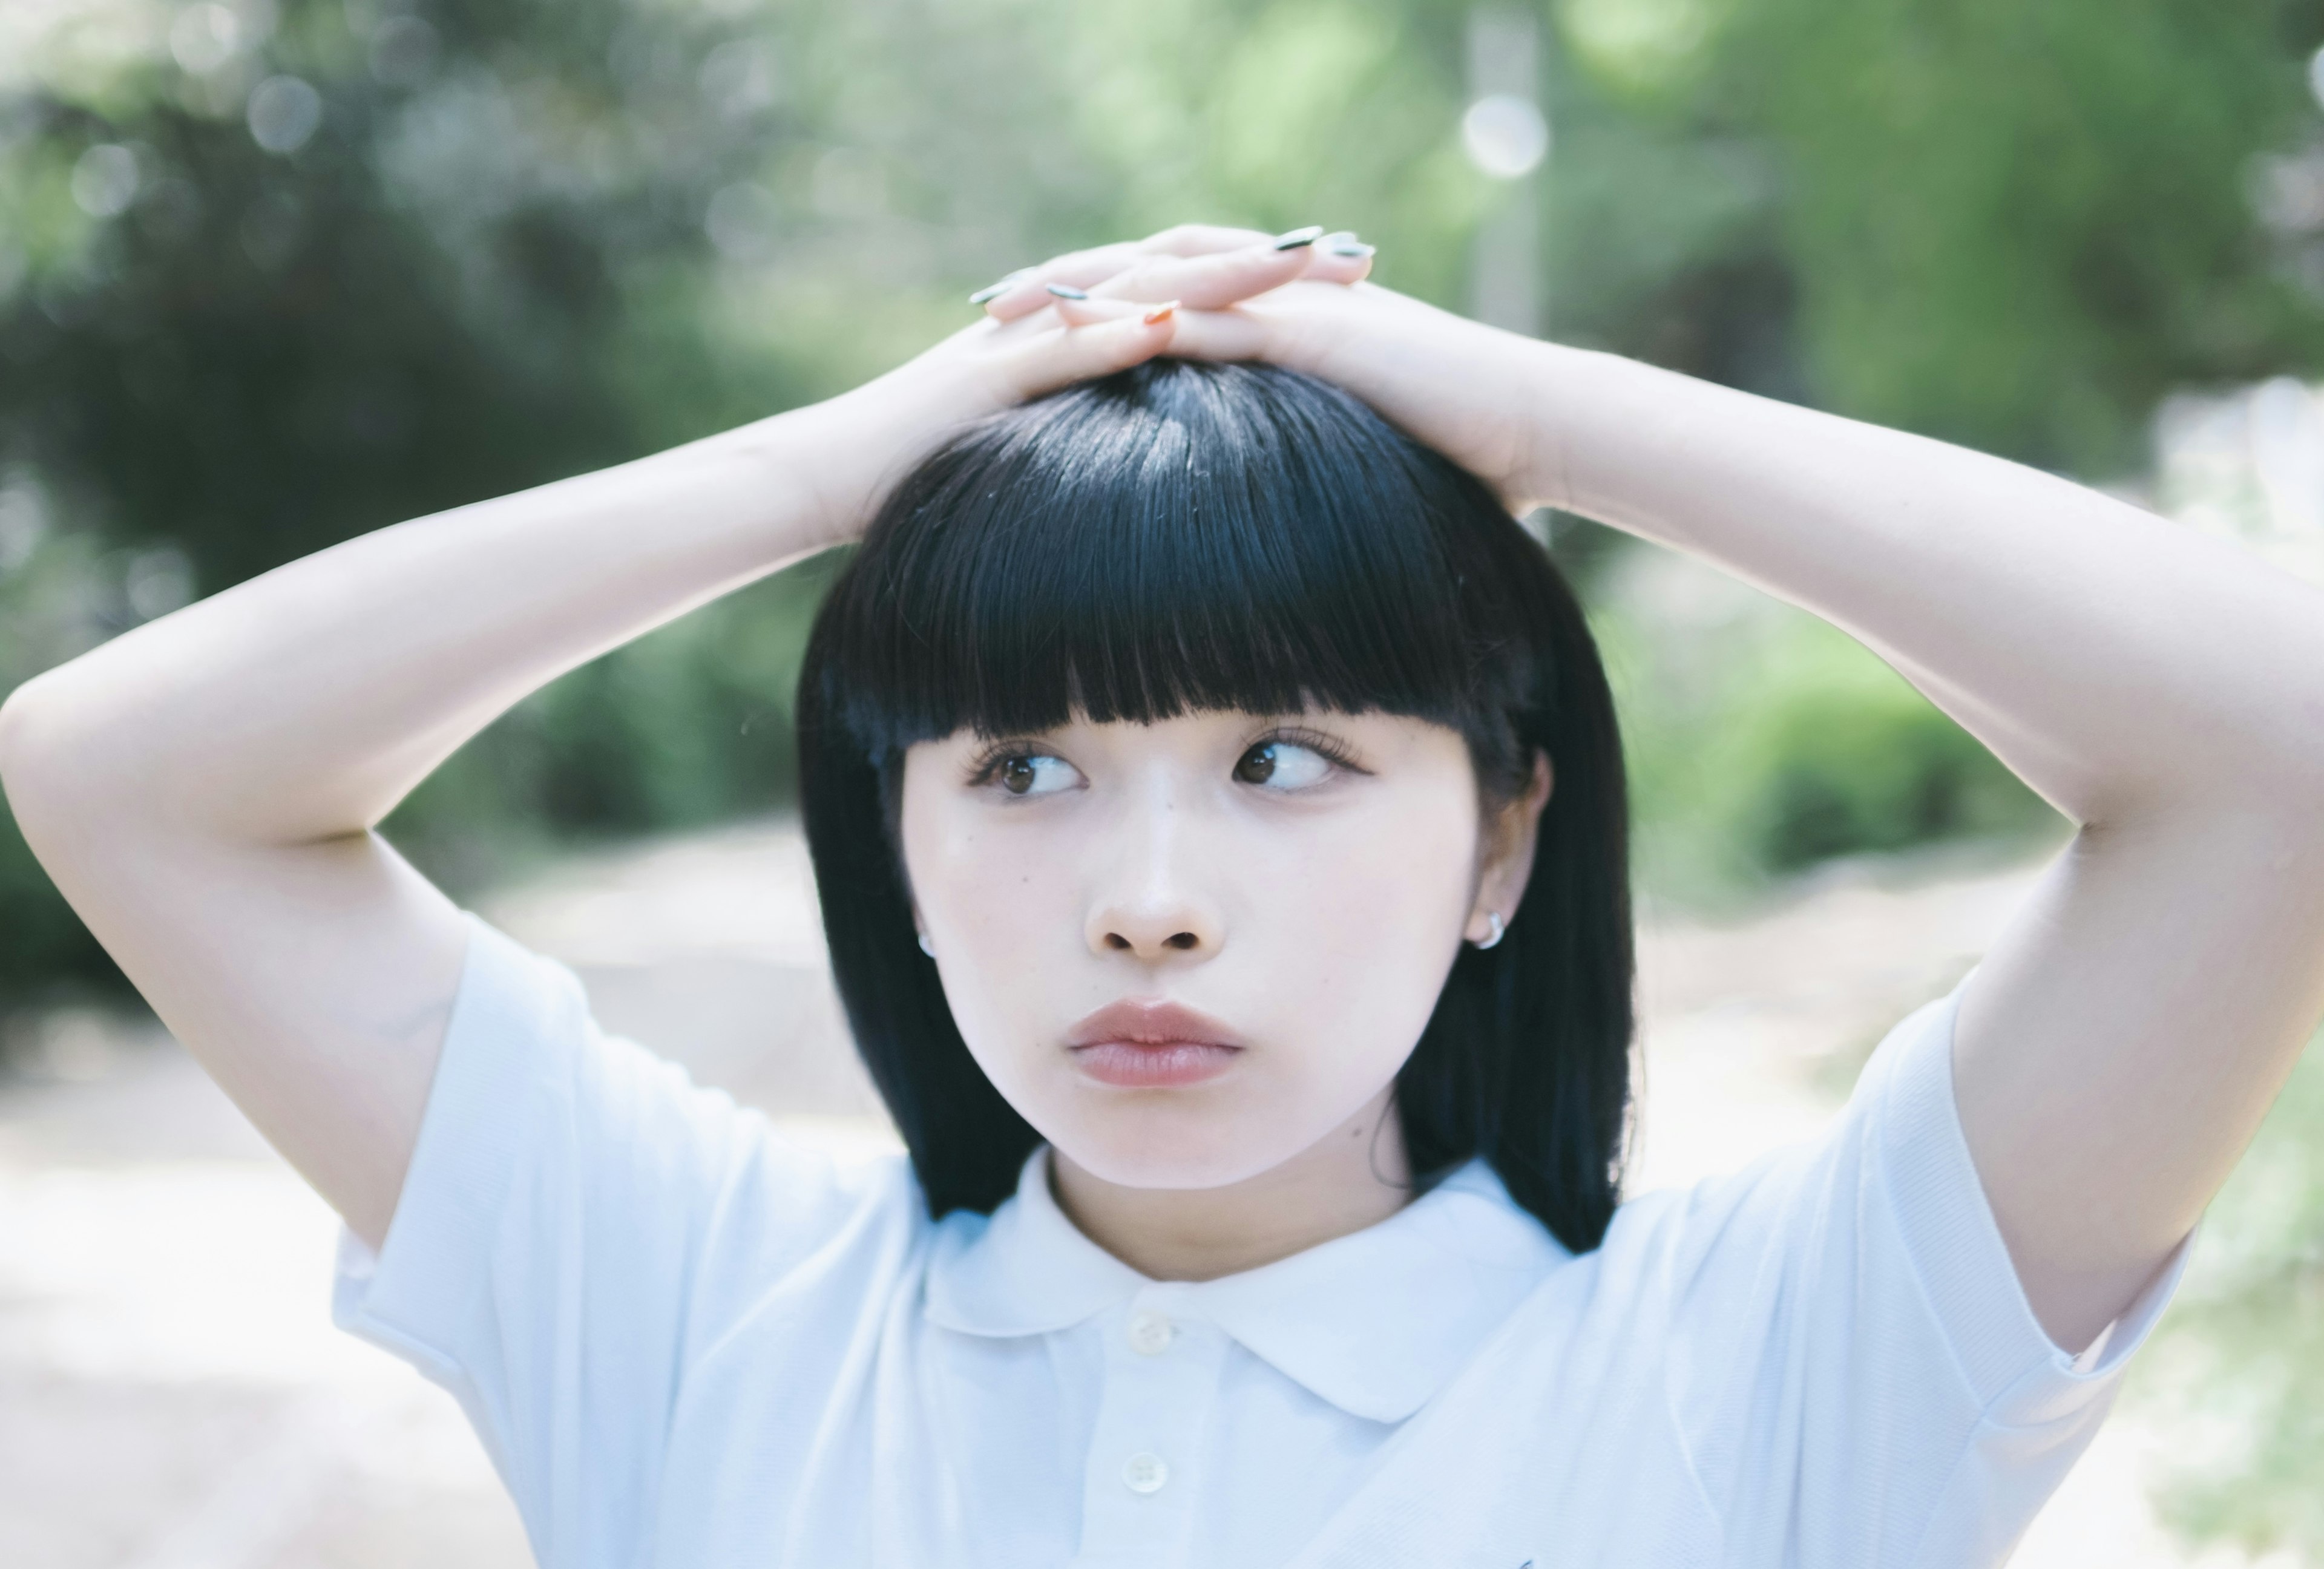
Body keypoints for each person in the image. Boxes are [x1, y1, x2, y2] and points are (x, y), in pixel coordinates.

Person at [3, 222, 2321, 1568]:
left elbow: (2277, 752)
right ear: (893, 840)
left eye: (1284, 757)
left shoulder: (1781, 1355)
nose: (1148, 900)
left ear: (1506, 832)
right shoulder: (702, 1307)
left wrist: (1535, 421)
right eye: (1023, 765)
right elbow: (124, 767)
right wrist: (836, 472)